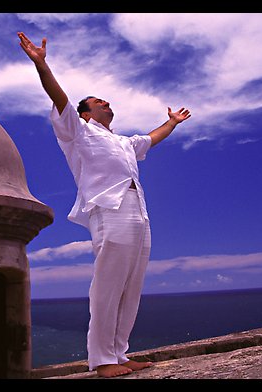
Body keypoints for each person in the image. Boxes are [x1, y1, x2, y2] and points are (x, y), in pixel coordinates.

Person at [18, 32, 191, 378]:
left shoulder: (124, 142)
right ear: (84, 113)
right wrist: (41, 64)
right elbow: (60, 98)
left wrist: (171, 123)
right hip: (108, 209)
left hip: (138, 210)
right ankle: (101, 360)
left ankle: (119, 354)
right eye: (99, 101)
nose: (107, 103)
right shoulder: (77, 132)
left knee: (131, 285)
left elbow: (151, 139)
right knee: (108, 284)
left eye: (108, 101)